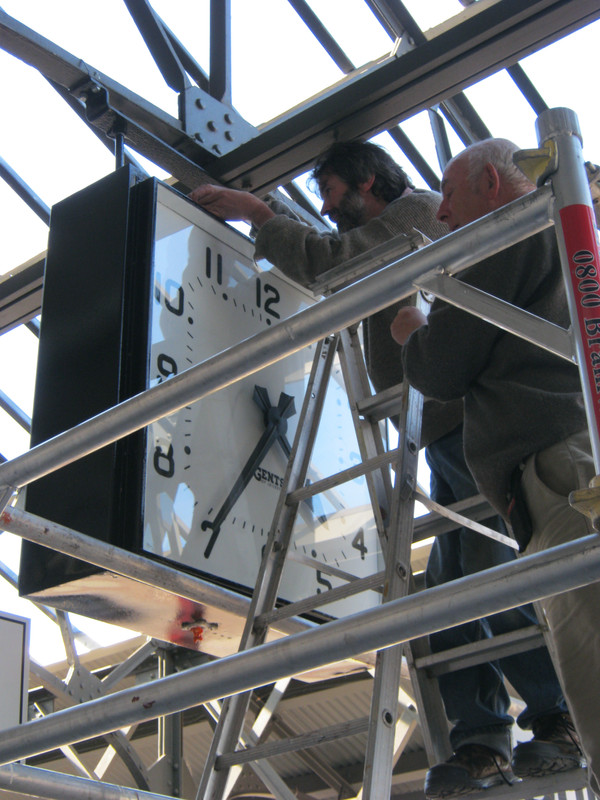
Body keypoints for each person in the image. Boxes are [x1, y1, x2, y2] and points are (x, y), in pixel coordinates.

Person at [189, 140, 576, 794]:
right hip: (445, 426)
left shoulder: (419, 211)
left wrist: (260, 212)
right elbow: (334, 251)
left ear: (368, 182)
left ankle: (552, 722)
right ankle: (487, 738)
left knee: (482, 577)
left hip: (457, 417)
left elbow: (328, 260)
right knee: (447, 590)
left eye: (332, 189)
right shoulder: (405, 223)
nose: (325, 204)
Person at [393, 138, 598, 797]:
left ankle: (510, 733)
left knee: (589, 646)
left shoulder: (502, 234)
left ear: (489, 182)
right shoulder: (564, 234)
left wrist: (410, 330)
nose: (442, 214)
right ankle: (539, 725)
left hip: (554, 471)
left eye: (449, 195)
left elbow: (441, 368)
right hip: (568, 455)